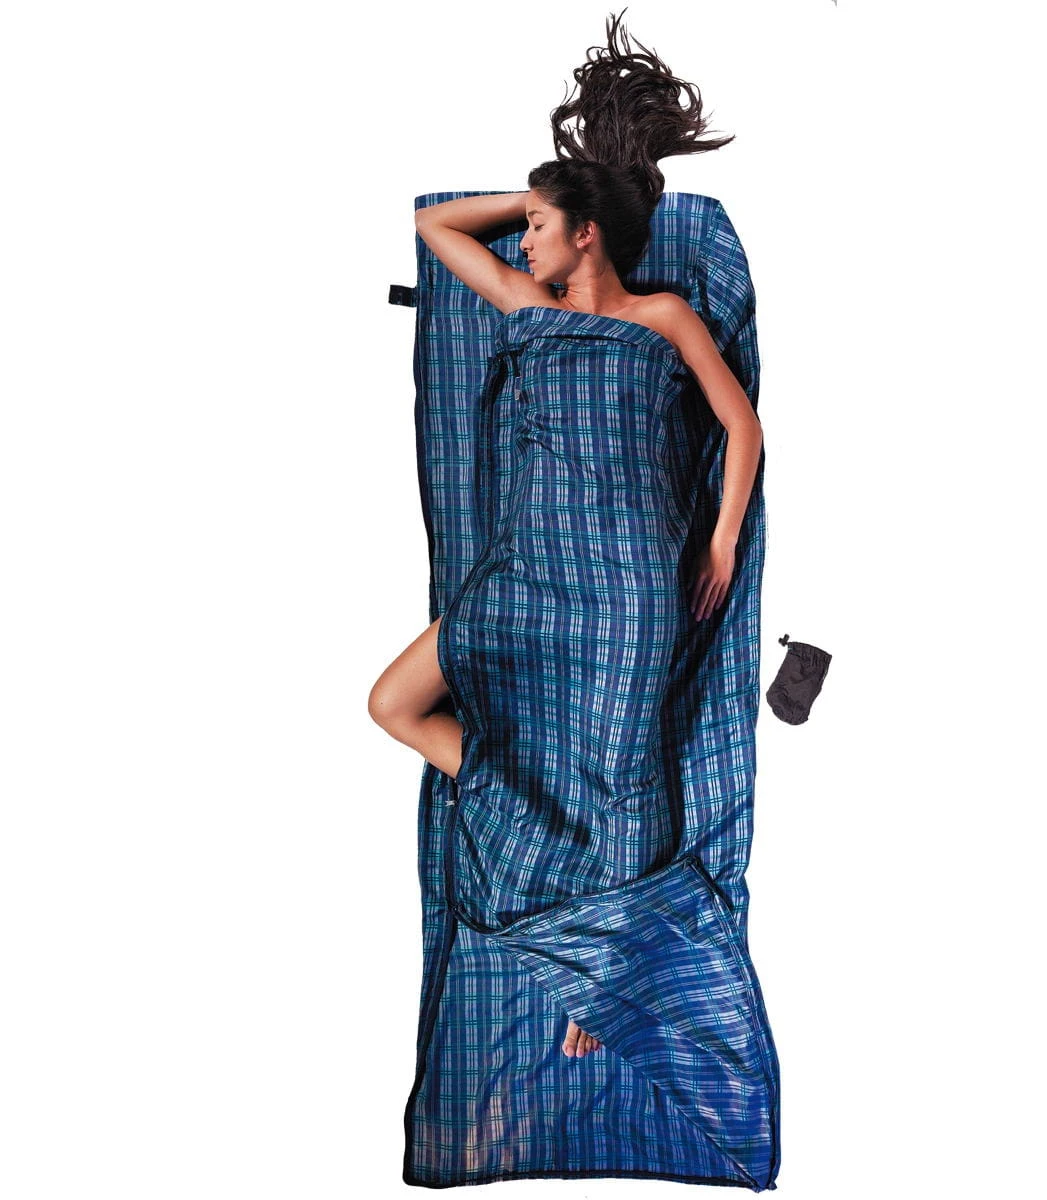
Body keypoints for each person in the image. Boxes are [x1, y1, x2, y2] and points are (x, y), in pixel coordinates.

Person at [367, 10, 763, 1060]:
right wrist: (552, 188)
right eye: (529, 226)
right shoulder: (520, 304)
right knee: (393, 704)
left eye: (541, 227)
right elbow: (437, 228)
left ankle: (601, 974)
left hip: (629, 581)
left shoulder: (663, 317)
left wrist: (721, 540)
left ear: (586, 236)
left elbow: (739, 425)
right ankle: (545, 853)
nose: (524, 240)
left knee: (622, 778)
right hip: (526, 574)